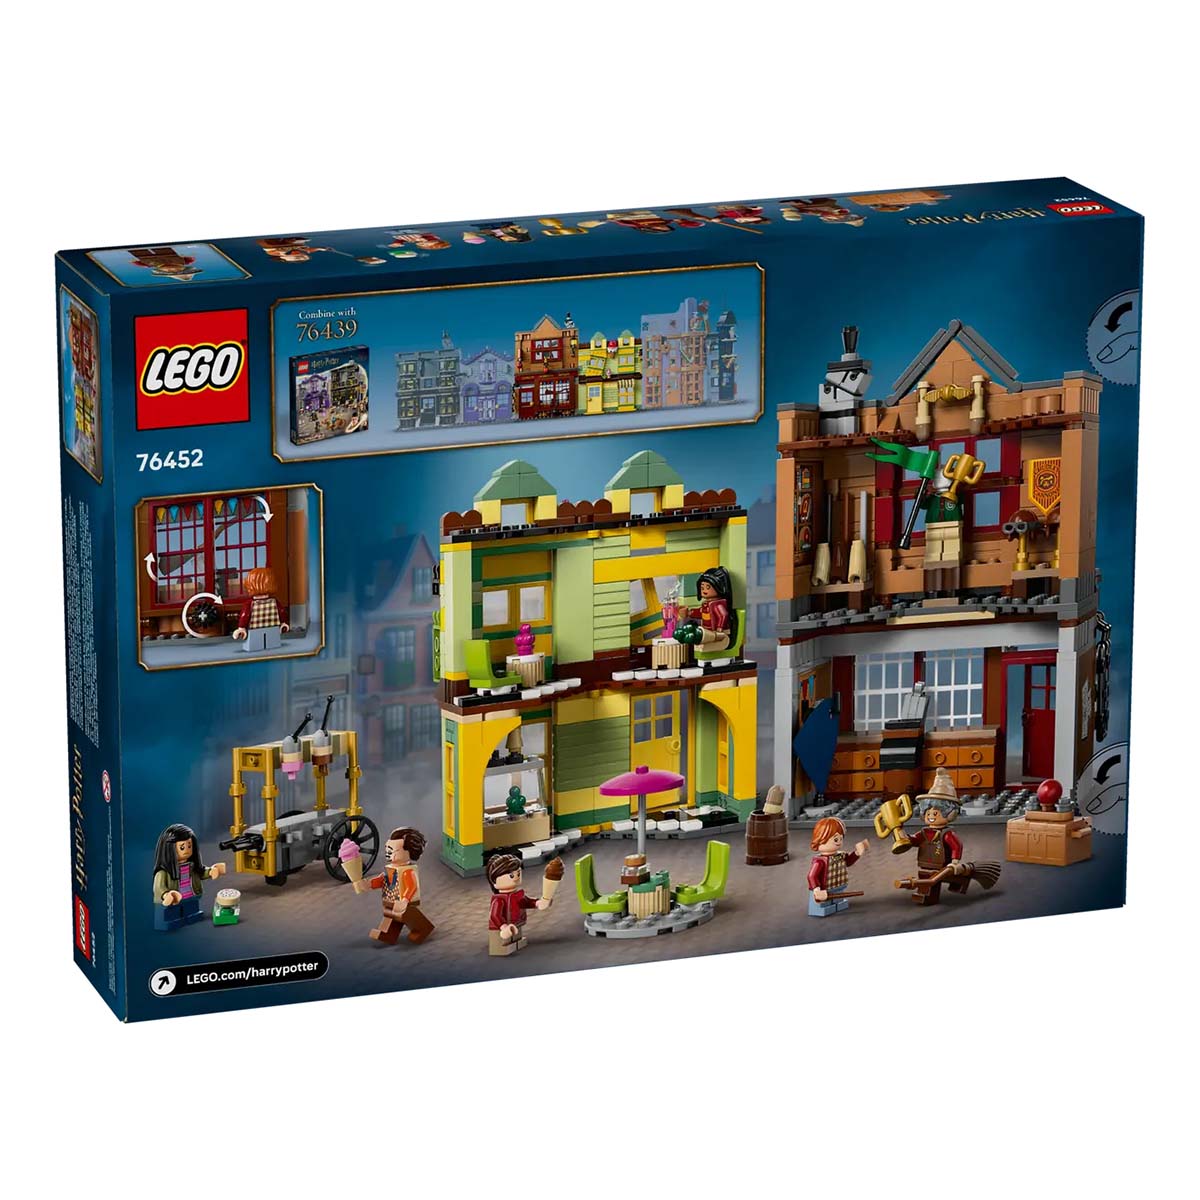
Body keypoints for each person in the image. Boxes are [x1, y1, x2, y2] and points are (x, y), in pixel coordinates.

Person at [894, 768, 969, 905]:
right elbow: (915, 840)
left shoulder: (946, 834)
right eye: (928, 813)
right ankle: (925, 893)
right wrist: (904, 836)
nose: (931, 817)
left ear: (949, 814)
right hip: (926, 863)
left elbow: (956, 846)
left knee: (937, 878)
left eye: (935, 814)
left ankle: (930, 896)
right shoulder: (924, 832)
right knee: (925, 876)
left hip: (942, 864)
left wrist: (954, 862)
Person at [152, 824, 225, 930]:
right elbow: (159, 887)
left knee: (191, 910)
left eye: (189, 846)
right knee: (172, 914)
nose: (186, 850)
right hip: (175, 899)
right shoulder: (164, 872)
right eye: (182, 847)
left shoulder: (192, 866)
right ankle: (172, 921)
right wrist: (166, 894)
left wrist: (210, 871)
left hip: (191, 895)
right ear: (169, 849)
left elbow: (200, 872)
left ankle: (191, 916)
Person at [486, 853, 551, 956]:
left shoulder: (517, 895)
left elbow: (525, 902)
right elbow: (495, 915)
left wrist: (538, 903)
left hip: (516, 922)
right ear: (495, 881)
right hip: (500, 927)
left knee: (516, 935)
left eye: (518, 874)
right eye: (511, 875)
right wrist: (503, 926)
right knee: (501, 941)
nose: (516, 878)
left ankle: (516, 942)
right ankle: (499, 948)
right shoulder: (499, 899)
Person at [807, 817, 868, 916]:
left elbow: (848, 862)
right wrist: (816, 889)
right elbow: (812, 876)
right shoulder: (820, 861)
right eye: (835, 839)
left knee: (838, 900)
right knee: (824, 904)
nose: (839, 841)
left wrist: (857, 853)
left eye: (841, 838)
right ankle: (823, 908)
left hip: (838, 885)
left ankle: (837, 905)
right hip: (824, 889)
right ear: (820, 839)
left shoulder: (840, 855)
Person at [672, 566, 736, 653]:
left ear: (718, 587)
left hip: (718, 633)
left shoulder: (717, 605)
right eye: (702, 588)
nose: (704, 590)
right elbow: (700, 612)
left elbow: (723, 615)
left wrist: (720, 628)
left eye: (708, 587)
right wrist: (689, 613)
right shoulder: (706, 604)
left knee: (696, 635)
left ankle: (692, 635)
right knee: (692, 634)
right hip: (707, 631)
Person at [233, 567, 289, 653]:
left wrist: (241, 627)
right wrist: (283, 622)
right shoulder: (273, 601)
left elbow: (245, 615)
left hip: (258, 629)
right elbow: (281, 612)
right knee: (270, 643)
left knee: (258, 644)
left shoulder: (251, 604)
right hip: (270, 627)